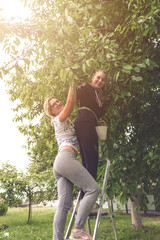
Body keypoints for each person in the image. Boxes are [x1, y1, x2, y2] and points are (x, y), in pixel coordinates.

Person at [44, 85, 100, 240]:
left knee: (63, 206)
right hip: (66, 158)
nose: (57, 103)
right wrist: (72, 82)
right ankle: (78, 229)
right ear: (52, 112)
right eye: (53, 104)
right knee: (93, 189)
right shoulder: (59, 119)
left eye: (57, 101)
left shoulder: (68, 121)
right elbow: (70, 103)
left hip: (61, 164)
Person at [74, 70, 112, 181]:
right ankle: (88, 192)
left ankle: (85, 193)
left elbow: (99, 112)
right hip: (84, 123)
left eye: (103, 80)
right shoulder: (86, 87)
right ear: (92, 77)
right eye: (98, 77)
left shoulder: (96, 96)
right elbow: (75, 93)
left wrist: (108, 100)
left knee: (90, 160)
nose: (100, 81)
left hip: (91, 125)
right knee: (90, 159)